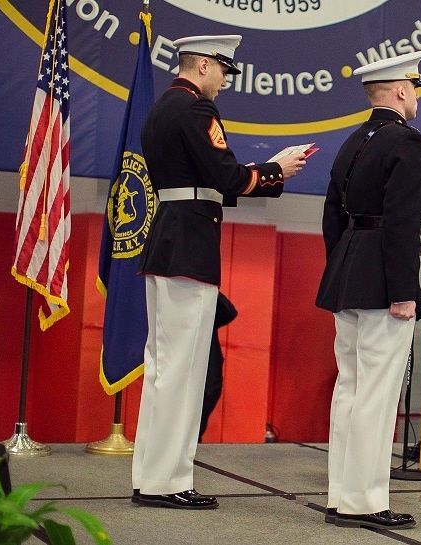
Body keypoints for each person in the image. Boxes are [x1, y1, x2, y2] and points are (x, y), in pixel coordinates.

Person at [132, 35, 307, 510]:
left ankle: (151, 474)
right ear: (204, 65)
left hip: (168, 240)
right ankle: (169, 482)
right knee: (185, 371)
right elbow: (225, 175)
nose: (226, 81)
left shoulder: (161, 108)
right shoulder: (196, 112)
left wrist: (263, 172)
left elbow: (202, 176)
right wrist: (275, 169)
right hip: (189, 246)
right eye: (224, 71)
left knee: (164, 368)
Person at [314, 51, 421, 530]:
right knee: (377, 396)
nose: (415, 95)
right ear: (402, 90)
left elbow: (331, 215)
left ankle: (341, 493)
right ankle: (364, 501)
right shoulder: (406, 142)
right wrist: (405, 289)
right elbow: (402, 222)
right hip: (383, 276)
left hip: (348, 270)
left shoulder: (352, 141)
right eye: (414, 87)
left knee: (350, 387)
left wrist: (341, 266)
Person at [198, 292, 238, 440]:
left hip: (208, 359)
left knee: (208, 393)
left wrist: (208, 289)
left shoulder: (207, 297)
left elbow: (229, 312)